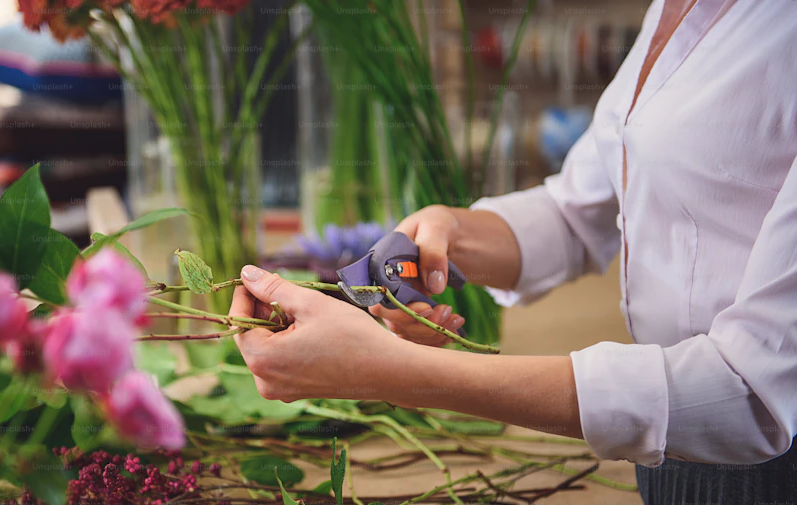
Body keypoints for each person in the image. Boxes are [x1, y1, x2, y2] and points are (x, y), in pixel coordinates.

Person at [227, 0, 797, 503]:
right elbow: (578, 213)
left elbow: (750, 396)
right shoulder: (677, 10)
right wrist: (451, 230)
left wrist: (395, 373)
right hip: (666, 456)